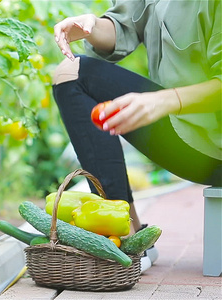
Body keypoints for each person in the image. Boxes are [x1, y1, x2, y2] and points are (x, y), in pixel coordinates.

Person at [51, 1, 221, 272]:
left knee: (78, 75)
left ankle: (123, 237)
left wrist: (166, 100)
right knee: (71, 74)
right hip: (187, 138)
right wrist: (90, 27)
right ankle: (127, 235)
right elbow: (123, 26)